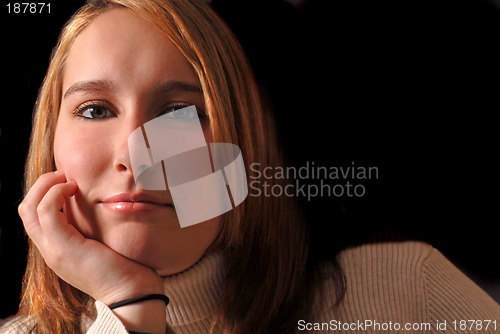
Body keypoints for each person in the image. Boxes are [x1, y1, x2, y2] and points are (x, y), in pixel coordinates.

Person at [1, 0, 499, 333]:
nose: (134, 155)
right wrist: (128, 304)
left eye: (182, 114)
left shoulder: (406, 293)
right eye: (95, 110)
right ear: (51, 143)